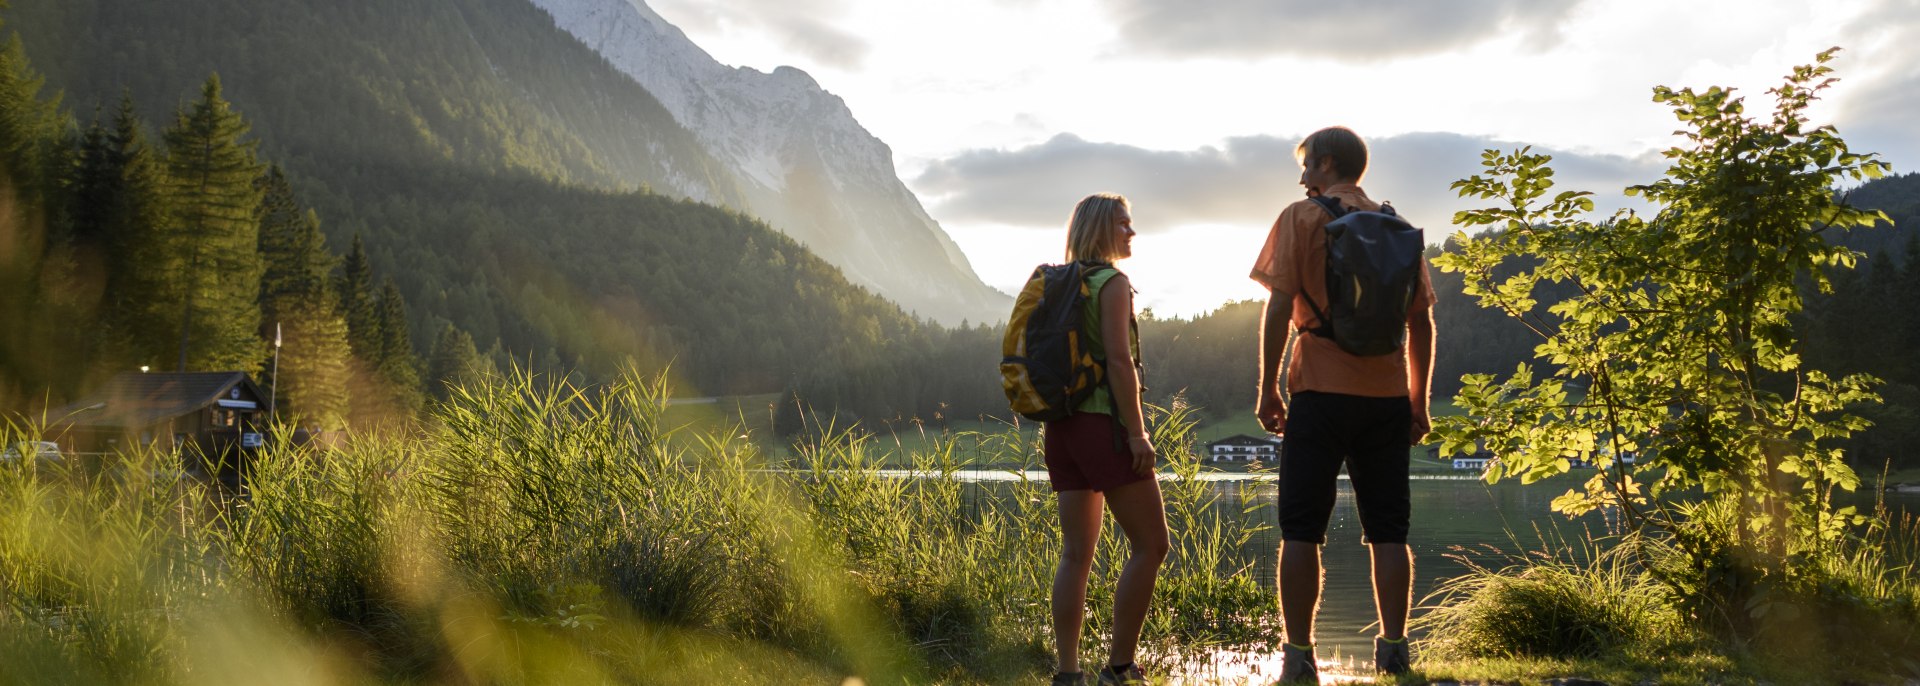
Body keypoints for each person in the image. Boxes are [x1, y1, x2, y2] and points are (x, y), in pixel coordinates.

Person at [1248, 127, 1436, 683]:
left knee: (1301, 529)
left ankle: (1300, 657)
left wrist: (1267, 387)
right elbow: (1420, 319)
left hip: (1320, 393)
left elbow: (1280, 305)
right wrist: (1417, 402)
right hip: (1384, 398)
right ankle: (1395, 650)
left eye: (1306, 164)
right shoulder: (1396, 226)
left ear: (1327, 163)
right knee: (1389, 530)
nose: (1302, 176)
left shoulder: (1301, 218)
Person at [1045, 193, 1169, 686]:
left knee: (1075, 554)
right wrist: (1136, 433)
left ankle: (1067, 673)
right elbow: (1120, 362)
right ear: (1101, 230)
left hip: (1063, 426)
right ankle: (1119, 667)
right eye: (1123, 224)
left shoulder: (1060, 284)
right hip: (1103, 425)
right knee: (1152, 544)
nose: (1132, 232)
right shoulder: (1112, 283)